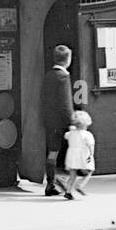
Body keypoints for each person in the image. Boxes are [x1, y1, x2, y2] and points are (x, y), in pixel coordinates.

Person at [40, 43, 74, 196]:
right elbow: (66, 103)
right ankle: (58, 184)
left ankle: (51, 183)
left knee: (52, 151)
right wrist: (71, 122)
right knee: (70, 151)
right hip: (61, 121)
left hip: (49, 120)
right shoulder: (64, 77)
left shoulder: (48, 75)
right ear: (68, 59)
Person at [63, 110, 95, 199]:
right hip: (83, 155)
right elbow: (91, 145)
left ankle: (68, 191)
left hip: (71, 156)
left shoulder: (71, 133)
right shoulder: (87, 134)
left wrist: (71, 129)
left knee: (72, 175)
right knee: (89, 171)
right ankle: (80, 185)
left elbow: (66, 136)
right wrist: (91, 155)